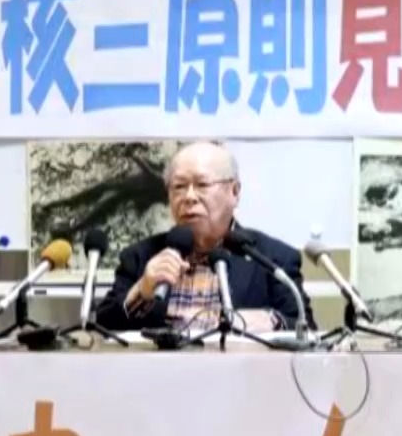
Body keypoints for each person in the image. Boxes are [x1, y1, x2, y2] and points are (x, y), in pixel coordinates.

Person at [97, 141, 309, 335]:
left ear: (234, 192)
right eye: (179, 186)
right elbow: (103, 327)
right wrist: (141, 291)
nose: (189, 197)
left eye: (202, 184)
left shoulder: (272, 258)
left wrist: (272, 320)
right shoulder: (140, 256)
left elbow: (305, 327)